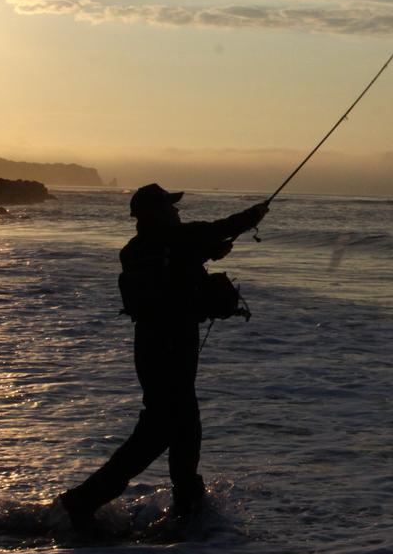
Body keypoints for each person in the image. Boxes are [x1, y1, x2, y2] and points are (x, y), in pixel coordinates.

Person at [58, 184, 268, 529]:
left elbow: (178, 263)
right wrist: (255, 214)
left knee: (183, 428)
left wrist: (206, 253)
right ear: (156, 213)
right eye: (171, 208)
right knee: (159, 433)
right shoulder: (176, 240)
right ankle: (81, 501)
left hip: (151, 345)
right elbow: (218, 228)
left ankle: (188, 510)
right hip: (173, 345)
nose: (177, 212)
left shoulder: (136, 250)